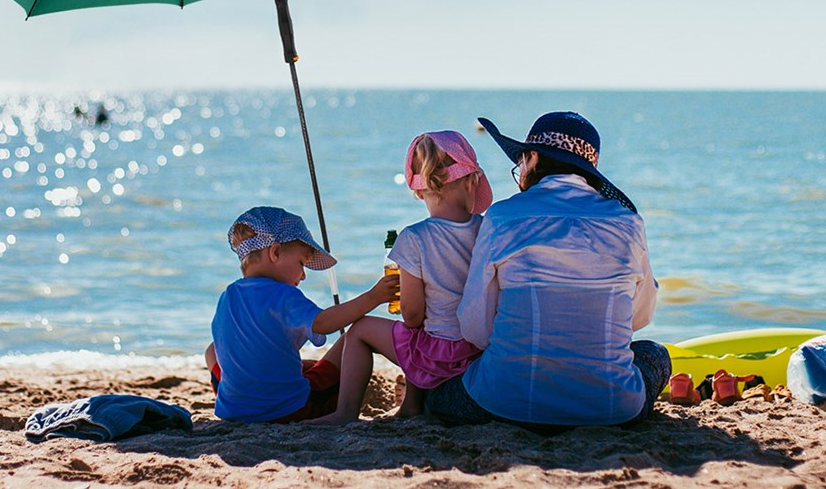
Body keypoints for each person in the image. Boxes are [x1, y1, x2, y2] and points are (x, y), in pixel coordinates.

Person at [426, 111, 670, 431]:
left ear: (533, 158)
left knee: (437, 395)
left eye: (521, 162)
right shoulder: (628, 223)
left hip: (507, 404)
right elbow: (639, 318)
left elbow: (475, 326)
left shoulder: (503, 217)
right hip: (609, 409)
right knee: (655, 353)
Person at [319, 131, 491, 423]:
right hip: (481, 351)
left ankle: (345, 412)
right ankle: (411, 405)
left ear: (420, 191)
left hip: (442, 355)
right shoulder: (488, 230)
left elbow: (411, 315)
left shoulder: (414, 238)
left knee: (361, 330)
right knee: (421, 331)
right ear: (471, 181)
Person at [206, 206, 399, 423]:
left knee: (212, 350)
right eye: (302, 263)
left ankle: (242, 401)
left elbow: (263, 347)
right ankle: (345, 413)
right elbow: (323, 323)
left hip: (235, 410)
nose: (304, 276)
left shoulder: (227, 296)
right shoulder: (282, 294)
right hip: (288, 409)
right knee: (353, 336)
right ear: (275, 252)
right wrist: (374, 297)